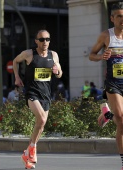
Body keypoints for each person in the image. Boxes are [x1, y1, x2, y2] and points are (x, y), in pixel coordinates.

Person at [13, 29, 62, 169]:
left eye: (47, 39)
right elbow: (15, 61)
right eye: (42, 39)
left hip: (46, 94)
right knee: (41, 119)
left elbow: (59, 73)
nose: (45, 42)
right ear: (36, 41)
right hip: (32, 93)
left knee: (40, 125)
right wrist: (17, 76)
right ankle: (33, 149)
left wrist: (57, 71)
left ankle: (27, 155)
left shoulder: (54, 55)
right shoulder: (29, 54)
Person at [89, 2, 123, 169]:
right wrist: (102, 56)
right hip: (114, 83)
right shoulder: (106, 36)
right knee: (121, 119)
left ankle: (105, 114)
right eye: (119, 16)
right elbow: (91, 55)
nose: (122, 19)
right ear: (112, 18)